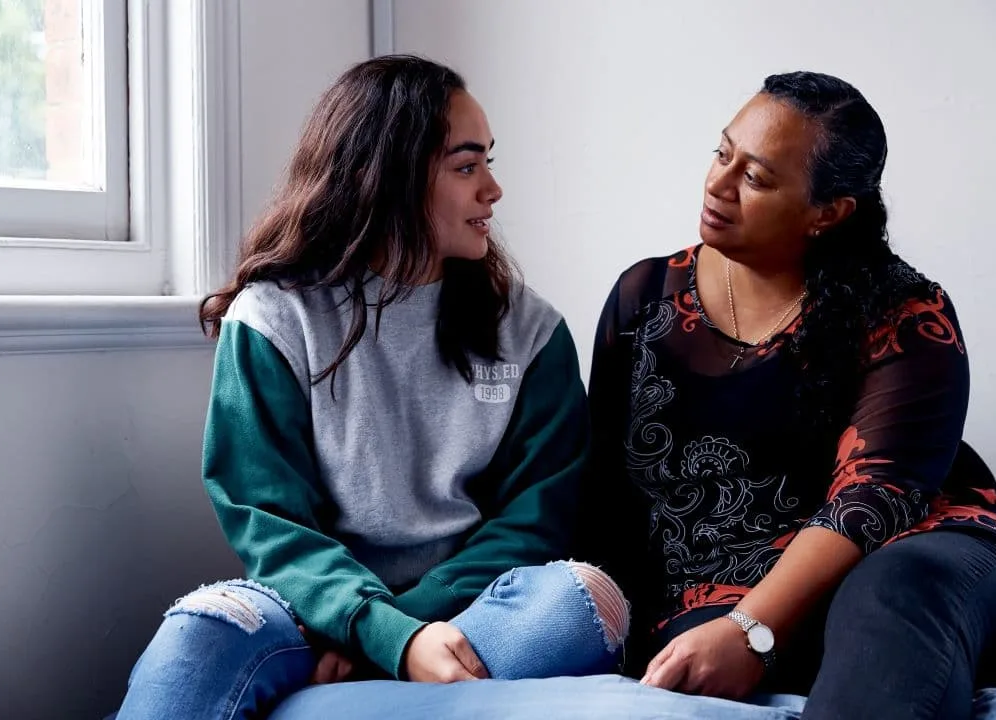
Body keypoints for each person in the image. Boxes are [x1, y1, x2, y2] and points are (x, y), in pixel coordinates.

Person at [111, 55, 629, 720]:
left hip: (471, 611)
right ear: (388, 177)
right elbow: (268, 523)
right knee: (202, 628)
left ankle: (349, 696)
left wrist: (397, 636)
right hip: (306, 608)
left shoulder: (532, 332)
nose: (493, 190)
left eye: (488, 163)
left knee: (585, 600)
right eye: (467, 166)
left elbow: (534, 522)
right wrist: (383, 632)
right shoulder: (273, 318)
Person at [580, 70, 996, 720]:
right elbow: (609, 492)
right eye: (722, 154)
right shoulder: (643, 299)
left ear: (828, 211)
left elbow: (873, 500)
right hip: (730, 588)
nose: (718, 185)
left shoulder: (906, 311)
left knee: (891, 591)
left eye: (755, 178)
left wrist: (752, 630)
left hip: (923, 552)